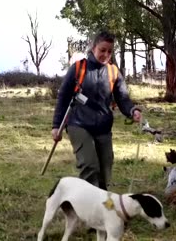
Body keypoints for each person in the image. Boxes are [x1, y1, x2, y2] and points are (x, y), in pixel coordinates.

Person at [51, 30, 142, 191]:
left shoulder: (114, 72)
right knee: (90, 165)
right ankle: (87, 207)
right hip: (78, 123)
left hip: (103, 126)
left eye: (110, 51)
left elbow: (123, 98)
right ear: (93, 48)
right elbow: (63, 97)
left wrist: (132, 111)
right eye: (102, 50)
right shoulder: (78, 68)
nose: (106, 54)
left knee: (105, 168)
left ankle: (101, 205)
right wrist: (56, 126)